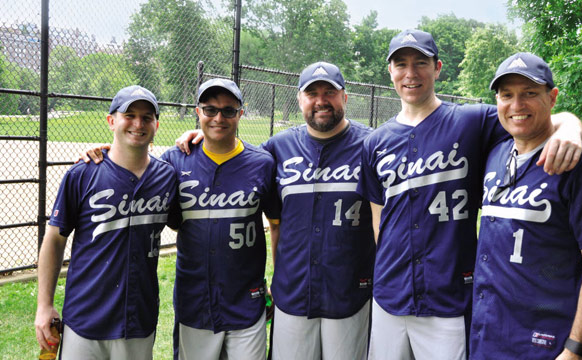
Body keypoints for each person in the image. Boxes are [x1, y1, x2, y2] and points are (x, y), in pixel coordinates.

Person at [356, 29, 582, 360]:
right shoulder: (375, 143)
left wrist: (571, 127)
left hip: (449, 294)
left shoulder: (471, 121)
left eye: (421, 62)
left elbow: (531, 117)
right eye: (401, 64)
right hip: (390, 294)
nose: (410, 73)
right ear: (389, 71)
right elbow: (380, 220)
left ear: (438, 68)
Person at [176, 62, 376, 360]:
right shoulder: (278, 148)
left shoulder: (372, 144)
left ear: (345, 97)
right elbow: (237, 159)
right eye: (312, 93)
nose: (320, 100)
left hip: (350, 291)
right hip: (292, 291)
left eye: (329, 92)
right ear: (299, 100)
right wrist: (201, 135)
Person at [81, 79, 279, 359]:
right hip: (195, 300)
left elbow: (276, 222)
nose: (219, 117)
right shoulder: (175, 161)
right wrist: (105, 153)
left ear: (241, 114)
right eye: (209, 110)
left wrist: (278, 280)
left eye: (229, 111)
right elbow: (137, 172)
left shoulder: (262, 162)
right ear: (198, 112)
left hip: (247, 300)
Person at [471, 52, 582, 359]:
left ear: (552, 98)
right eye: (507, 95)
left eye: (529, 94)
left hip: (548, 342)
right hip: (488, 336)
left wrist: (576, 348)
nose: (516, 106)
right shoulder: (495, 154)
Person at [35, 85, 178, 359]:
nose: (138, 123)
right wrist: (44, 306)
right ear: (111, 121)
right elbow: (54, 240)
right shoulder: (82, 174)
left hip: (137, 319)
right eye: (130, 115)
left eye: (147, 117)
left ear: (156, 125)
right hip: (84, 319)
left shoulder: (167, 177)